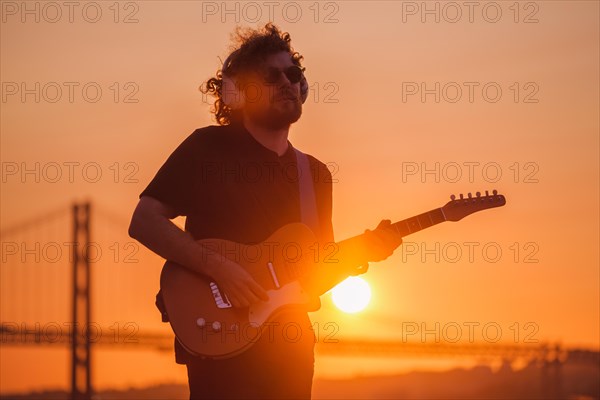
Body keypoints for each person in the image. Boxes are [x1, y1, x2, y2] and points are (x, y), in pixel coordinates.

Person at [128, 23, 402, 400]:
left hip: (290, 347)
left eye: (294, 74)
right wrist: (219, 267)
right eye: (271, 76)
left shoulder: (315, 174)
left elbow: (312, 272)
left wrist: (362, 254)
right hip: (219, 339)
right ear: (240, 92)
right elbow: (144, 220)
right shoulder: (207, 149)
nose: (287, 83)